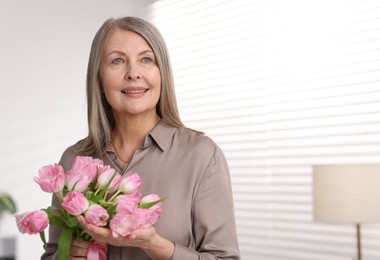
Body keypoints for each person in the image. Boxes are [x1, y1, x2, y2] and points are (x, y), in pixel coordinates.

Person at [41, 16, 240, 260]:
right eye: (117, 61)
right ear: (99, 78)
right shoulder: (74, 160)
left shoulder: (201, 155)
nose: (133, 73)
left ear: (162, 74)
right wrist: (66, 255)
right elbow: (52, 254)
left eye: (146, 59)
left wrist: (156, 246)